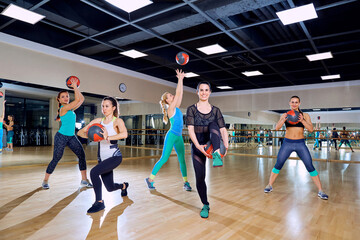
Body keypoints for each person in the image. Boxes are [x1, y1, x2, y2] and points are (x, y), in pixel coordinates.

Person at [264, 96, 328, 200]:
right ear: (289, 103)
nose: (294, 104)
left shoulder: (305, 115)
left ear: (299, 103)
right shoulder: (285, 115)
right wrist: (283, 119)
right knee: (278, 164)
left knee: (309, 165)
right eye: (292, 102)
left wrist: (302, 121)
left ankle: (321, 190)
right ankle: (269, 185)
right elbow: (277, 127)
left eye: (296, 102)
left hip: (300, 144)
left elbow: (311, 129)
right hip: (287, 143)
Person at [78, 96, 129, 213]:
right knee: (110, 188)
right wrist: (92, 136)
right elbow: (80, 132)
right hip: (102, 158)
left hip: (115, 157)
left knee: (94, 172)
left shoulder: (117, 121)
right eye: (102, 106)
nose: (104, 108)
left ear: (113, 107)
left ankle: (99, 202)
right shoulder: (97, 122)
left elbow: (124, 134)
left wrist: (107, 137)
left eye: (107, 106)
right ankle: (124, 186)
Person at [186, 81, 229, 218]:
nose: (204, 92)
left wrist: (226, 146)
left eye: (206, 90)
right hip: (198, 146)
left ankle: (216, 154)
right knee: (200, 177)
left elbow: (223, 130)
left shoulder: (216, 110)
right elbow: (190, 130)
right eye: (201, 90)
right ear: (197, 92)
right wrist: (198, 146)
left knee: (213, 124)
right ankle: (205, 204)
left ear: (210, 92)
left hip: (212, 143)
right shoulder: (191, 109)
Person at [145, 69, 192, 191]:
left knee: (182, 159)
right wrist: (180, 79)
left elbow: (180, 94)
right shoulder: (171, 108)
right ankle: (150, 179)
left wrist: (181, 80)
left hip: (179, 137)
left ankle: (186, 182)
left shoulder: (175, 107)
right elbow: (178, 92)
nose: (172, 96)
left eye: (172, 95)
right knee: (164, 158)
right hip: (171, 135)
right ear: (167, 101)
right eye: (170, 96)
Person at [42, 79, 92, 189]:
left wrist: (76, 88)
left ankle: (84, 180)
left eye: (67, 96)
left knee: (81, 155)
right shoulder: (63, 108)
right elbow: (78, 98)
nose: (66, 98)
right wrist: (74, 87)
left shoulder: (71, 109)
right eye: (63, 96)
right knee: (56, 158)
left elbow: (81, 99)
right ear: (59, 100)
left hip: (71, 137)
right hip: (61, 136)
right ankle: (45, 180)